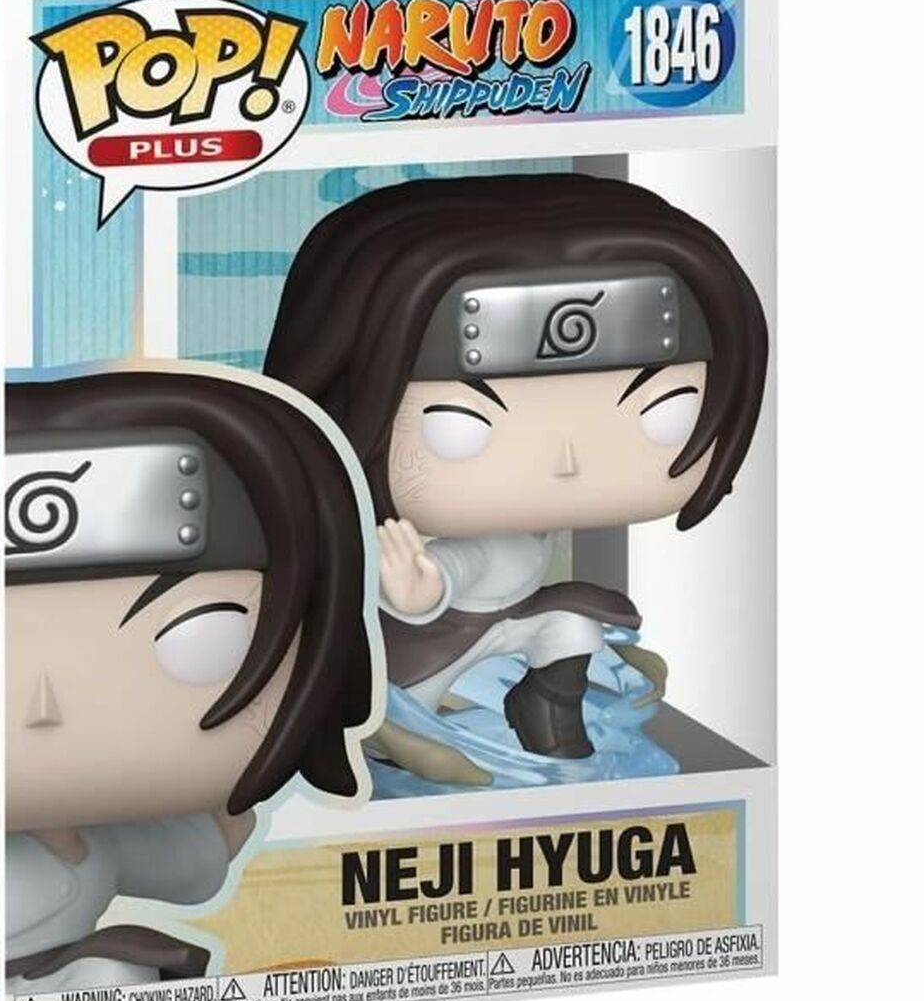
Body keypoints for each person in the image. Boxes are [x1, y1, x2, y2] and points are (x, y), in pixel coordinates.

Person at [264, 173, 767, 771]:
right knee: (401, 710)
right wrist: (419, 594)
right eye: (460, 426)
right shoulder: (454, 541)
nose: (567, 462)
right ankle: (391, 740)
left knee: (573, 626)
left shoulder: (521, 525)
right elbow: (438, 575)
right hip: (431, 645)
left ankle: (547, 711)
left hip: (512, 618)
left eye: (664, 413)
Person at [3, 369, 373, 990]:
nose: (45, 706)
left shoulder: (103, 843)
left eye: (203, 642)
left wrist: (223, 821)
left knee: (116, 974)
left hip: (60, 982)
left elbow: (193, 866)